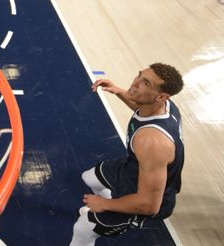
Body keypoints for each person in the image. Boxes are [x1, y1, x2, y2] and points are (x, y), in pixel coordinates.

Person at [70, 63, 184, 246]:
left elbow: (149, 204)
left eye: (145, 83)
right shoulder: (166, 107)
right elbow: (142, 108)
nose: (135, 83)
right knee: (89, 178)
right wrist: (119, 92)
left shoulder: (151, 142)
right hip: (134, 170)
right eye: (139, 75)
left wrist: (104, 204)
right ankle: (108, 202)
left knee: (83, 228)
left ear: (161, 96)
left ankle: (104, 210)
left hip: (147, 198)